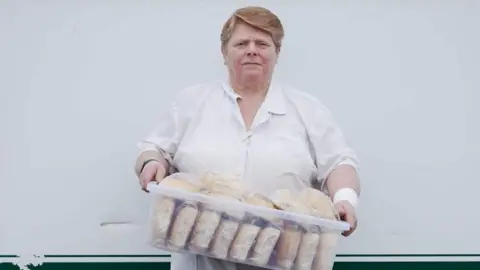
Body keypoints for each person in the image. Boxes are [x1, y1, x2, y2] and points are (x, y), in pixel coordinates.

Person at [134, 5, 361, 270]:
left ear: (277, 53)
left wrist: (344, 199)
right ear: (224, 53)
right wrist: (151, 163)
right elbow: (154, 148)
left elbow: (339, 162)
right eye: (241, 43)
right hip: (200, 261)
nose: (252, 49)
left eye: (262, 43)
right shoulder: (191, 103)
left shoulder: (308, 110)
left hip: (285, 260)